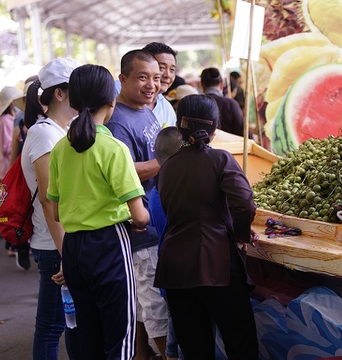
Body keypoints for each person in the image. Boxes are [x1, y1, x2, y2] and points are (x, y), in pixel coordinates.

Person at [47, 63, 149, 359]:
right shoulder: (113, 148)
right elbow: (140, 215)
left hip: (75, 247)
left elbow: (55, 213)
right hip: (109, 244)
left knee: (87, 332)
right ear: (112, 101)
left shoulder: (60, 148)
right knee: (120, 335)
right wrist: (139, 220)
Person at [155, 94, 259, 359]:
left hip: (176, 267)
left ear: (179, 126)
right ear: (215, 129)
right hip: (217, 263)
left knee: (194, 350)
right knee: (241, 344)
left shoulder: (167, 167)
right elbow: (245, 204)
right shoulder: (221, 160)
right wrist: (241, 235)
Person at [106, 49, 168, 360]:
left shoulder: (147, 110)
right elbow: (125, 171)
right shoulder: (118, 121)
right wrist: (167, 160)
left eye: (156, 78)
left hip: (156, 221)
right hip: (140, 227)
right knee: (154, 304)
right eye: (142, 77)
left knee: (143, 305)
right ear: (123, 79)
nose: (151, 85)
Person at [21, 58, 81, 358]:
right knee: (51, 327)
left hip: (61, 243)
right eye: (77, 89)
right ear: (59, 94)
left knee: (69, 325)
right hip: (54, 246)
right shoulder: (44, 134)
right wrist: (65, 255)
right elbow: (48, 199)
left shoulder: (60, 130)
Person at [148, 126, 182, 360]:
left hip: (168, 276)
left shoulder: (154, 193)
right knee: (176, 338)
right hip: (179, 276)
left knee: (175, 329)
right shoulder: (172, 194)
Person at [200, 67, 248, 138]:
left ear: (202, 84)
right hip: (231, 148)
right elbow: (243, 131)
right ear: (222, 84)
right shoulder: (230, 104)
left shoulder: (196, 103)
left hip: (202, 148)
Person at [142, 42, 178, 129]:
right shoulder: (116, 90)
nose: (168, 75)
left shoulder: (167, 109)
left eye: (172, 70)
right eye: (161, 68)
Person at [0, 86, 23, 183]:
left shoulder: (13, 118)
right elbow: (6, 148)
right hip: (6, 168)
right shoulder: (5, 121)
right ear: (12, 103)